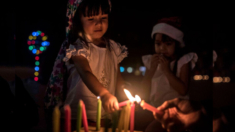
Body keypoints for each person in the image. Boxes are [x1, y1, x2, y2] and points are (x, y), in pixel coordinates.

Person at [44, 0, 128, 131]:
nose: (99, 23)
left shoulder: (114, 48)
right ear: (78, 20)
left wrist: (126, 91)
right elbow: (85, 72)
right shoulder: (78, 47)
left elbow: (117, 77)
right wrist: (105, 94)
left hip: (105, 115)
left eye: (103, 18)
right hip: (77, 116)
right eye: (91, 18)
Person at [140, 16, 198, 132]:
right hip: (156, 110)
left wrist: (167, 70)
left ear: (177, 44)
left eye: (168, 44)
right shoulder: (151, 61)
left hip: (177, 112)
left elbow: (183, 90)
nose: (162, 48)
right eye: (158, 44)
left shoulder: (182, 61)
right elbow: (143, 89)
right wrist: (151, 71)